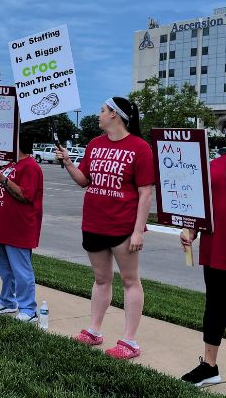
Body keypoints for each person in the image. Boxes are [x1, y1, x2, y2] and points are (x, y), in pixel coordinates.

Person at [56, 97, 154, 359]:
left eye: (102, 110)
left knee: (130, 281)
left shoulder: (140, 148)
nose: (98, 114)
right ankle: (94, 330)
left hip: (123, 226)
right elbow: (83, 181)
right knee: (101, 279)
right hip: (94, 223)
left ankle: (129, 341)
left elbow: (145, 192)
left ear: (115, 115)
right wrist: (67, 162)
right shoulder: (95, 145)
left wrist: (138, 230)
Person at [0, 133, 43, 321]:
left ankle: (29, 309)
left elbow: (25, 195)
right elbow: (3, 190)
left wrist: (5, 180)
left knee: (21, 270)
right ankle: (7, 301)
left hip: (18, 227)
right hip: (2, 226)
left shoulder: (31, 167)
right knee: (5, 268)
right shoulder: (10, 165)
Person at [179, 151, 226, 386]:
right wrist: (191, 231)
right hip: (218, 248)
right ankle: (209, 367)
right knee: (215, 307)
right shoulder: (211, 168)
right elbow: (199, 208)